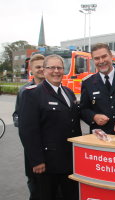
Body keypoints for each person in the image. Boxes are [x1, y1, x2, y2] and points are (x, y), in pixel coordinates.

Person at [19, 54, 81, 200]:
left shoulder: (68, 92)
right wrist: (37, 160)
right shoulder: (33, 94)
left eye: (59, 68)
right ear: (44, 71)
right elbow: (28, 130)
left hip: (68, 160)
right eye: (51, 67)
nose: (56, 71)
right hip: (47, 163)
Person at [13, 54, 45, 200]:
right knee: (35, 183)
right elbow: (17, 115)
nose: (41, 69)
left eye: (44, 66)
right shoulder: (24, 91)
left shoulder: (55, 88)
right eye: (38, 67)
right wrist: (28, 124)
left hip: (51, 147)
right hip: (32, 146)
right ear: (31, 69)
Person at [80, 43, 115, 134]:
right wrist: (94, 117)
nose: (101, 61)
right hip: (100, 137)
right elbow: (83, 109)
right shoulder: (88, 83)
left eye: (104, 56)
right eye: (96, 58)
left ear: (111, 56)